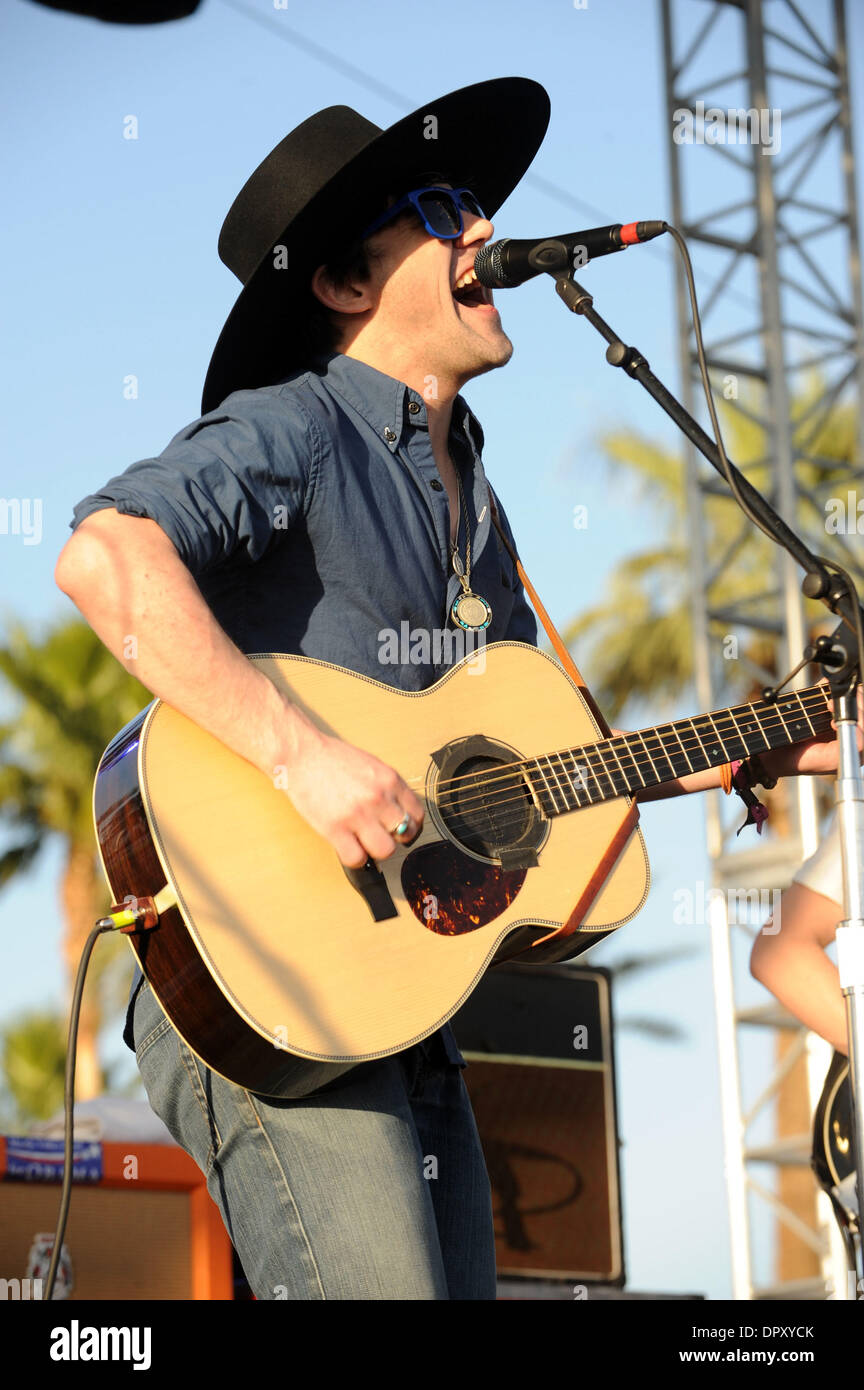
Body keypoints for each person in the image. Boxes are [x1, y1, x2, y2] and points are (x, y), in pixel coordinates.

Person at [54, 79, 852, 1300]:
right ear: (341, 284)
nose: (484, 228)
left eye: (477, 203)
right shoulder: (298, 427)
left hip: (402, 1001)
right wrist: (303, 757)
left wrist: (774, 740)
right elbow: (106, 553)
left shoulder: (480, 500)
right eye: (444, 208)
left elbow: (553, 758)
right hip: (261, 980)